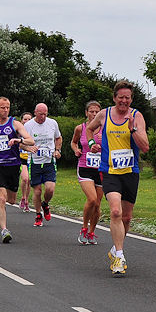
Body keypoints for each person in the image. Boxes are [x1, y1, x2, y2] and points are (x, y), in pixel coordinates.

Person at [87, 81, 150, 275]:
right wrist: (91, 143)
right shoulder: (103, 114)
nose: (124, 101)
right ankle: (120, 257)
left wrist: (132, 129)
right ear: (114, 98)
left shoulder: (136, 116)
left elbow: (145, 146)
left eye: (127, 98)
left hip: (130, 172)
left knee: (126, 217)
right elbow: (89, 129)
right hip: (110, 171)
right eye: (120, 97)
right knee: (115, 211)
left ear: (131, 100)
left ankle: (116, 248)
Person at [0, 97, 34, 243]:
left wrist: (19, 140)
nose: (6, 110)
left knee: (11, 200)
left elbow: (31, 140)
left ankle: (1, 196)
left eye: (8, 108)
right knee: (2, 199)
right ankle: (4, 230)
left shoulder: (15, 124)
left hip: (13, 165)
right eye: (3, 107)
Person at [70, 101, 103, 245]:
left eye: (97, 112)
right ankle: (84, 228)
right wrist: (76, 150)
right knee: (92, 199)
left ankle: (92, 232)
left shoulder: (105, 128)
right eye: (91, 111)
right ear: (86, 113)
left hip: (101, 169)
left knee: (97, 205)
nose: (94, 114)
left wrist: (105, 142)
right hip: (85, 167)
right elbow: (73, 142)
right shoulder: (80, 128)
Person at [24, 103, 62, 227]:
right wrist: (29, 148)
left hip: (49, 161)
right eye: (41, 114)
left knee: (50, 189)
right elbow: (20, 143)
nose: (43, 117)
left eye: (45, 114)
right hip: (34, 162)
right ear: (35, 113)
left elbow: (58, 138)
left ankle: (45, 204)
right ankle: (38, 214)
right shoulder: (28, 126)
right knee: (37, 191)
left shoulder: (52, 123)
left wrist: (57, 150)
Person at [17, 112, 33, 212]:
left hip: (31, 158)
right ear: (21, 121)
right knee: (25, 179)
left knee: (29, 181)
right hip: (21, 159)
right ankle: (23, 197)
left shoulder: (33, 131)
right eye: (25, 119)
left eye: (29, 120)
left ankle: (26, 200)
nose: (27, 121)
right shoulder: (18, 132)